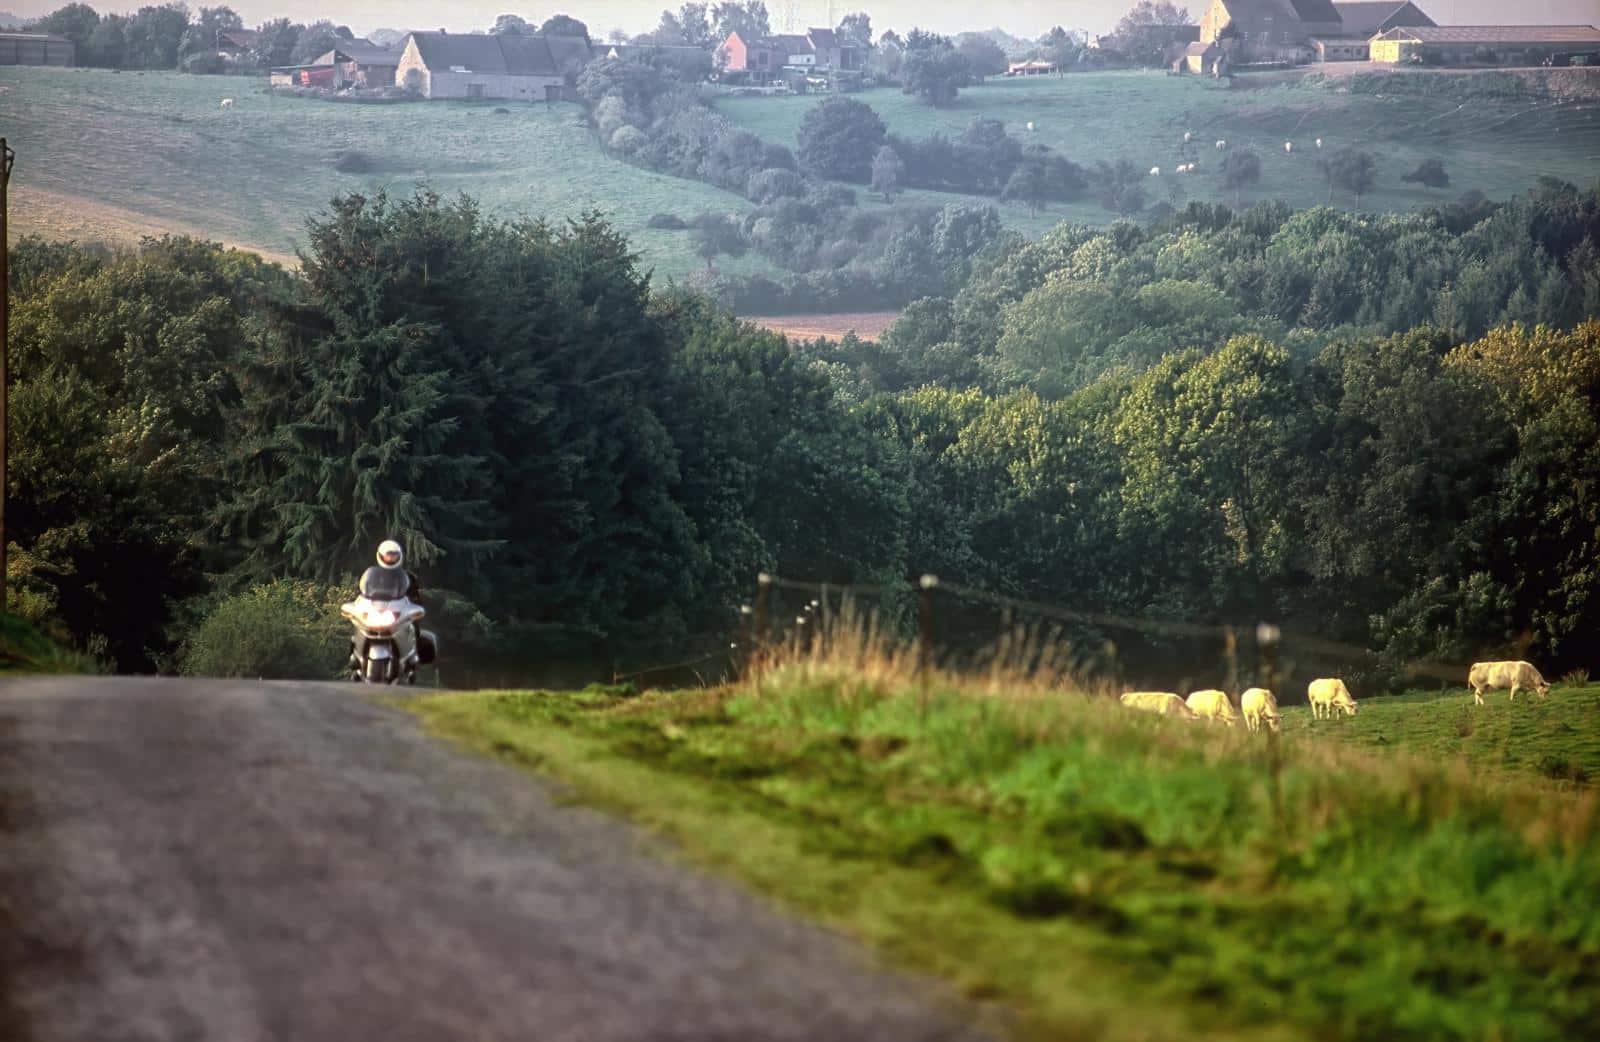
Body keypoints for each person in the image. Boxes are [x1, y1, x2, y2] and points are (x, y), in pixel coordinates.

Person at [352, 539, 437, 669]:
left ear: (399, 556)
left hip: (398, 610)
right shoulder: (372, 574)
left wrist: (414, 605)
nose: (391, 558)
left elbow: (415, 596)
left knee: (415, 626)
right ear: (380, 555)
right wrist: (358, 604)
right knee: (357, 626)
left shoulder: (408, 577)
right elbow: (361, 591)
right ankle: (354, 656)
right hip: (375, 609)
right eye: (388, 555)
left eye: (394, 555)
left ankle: (413, 657)